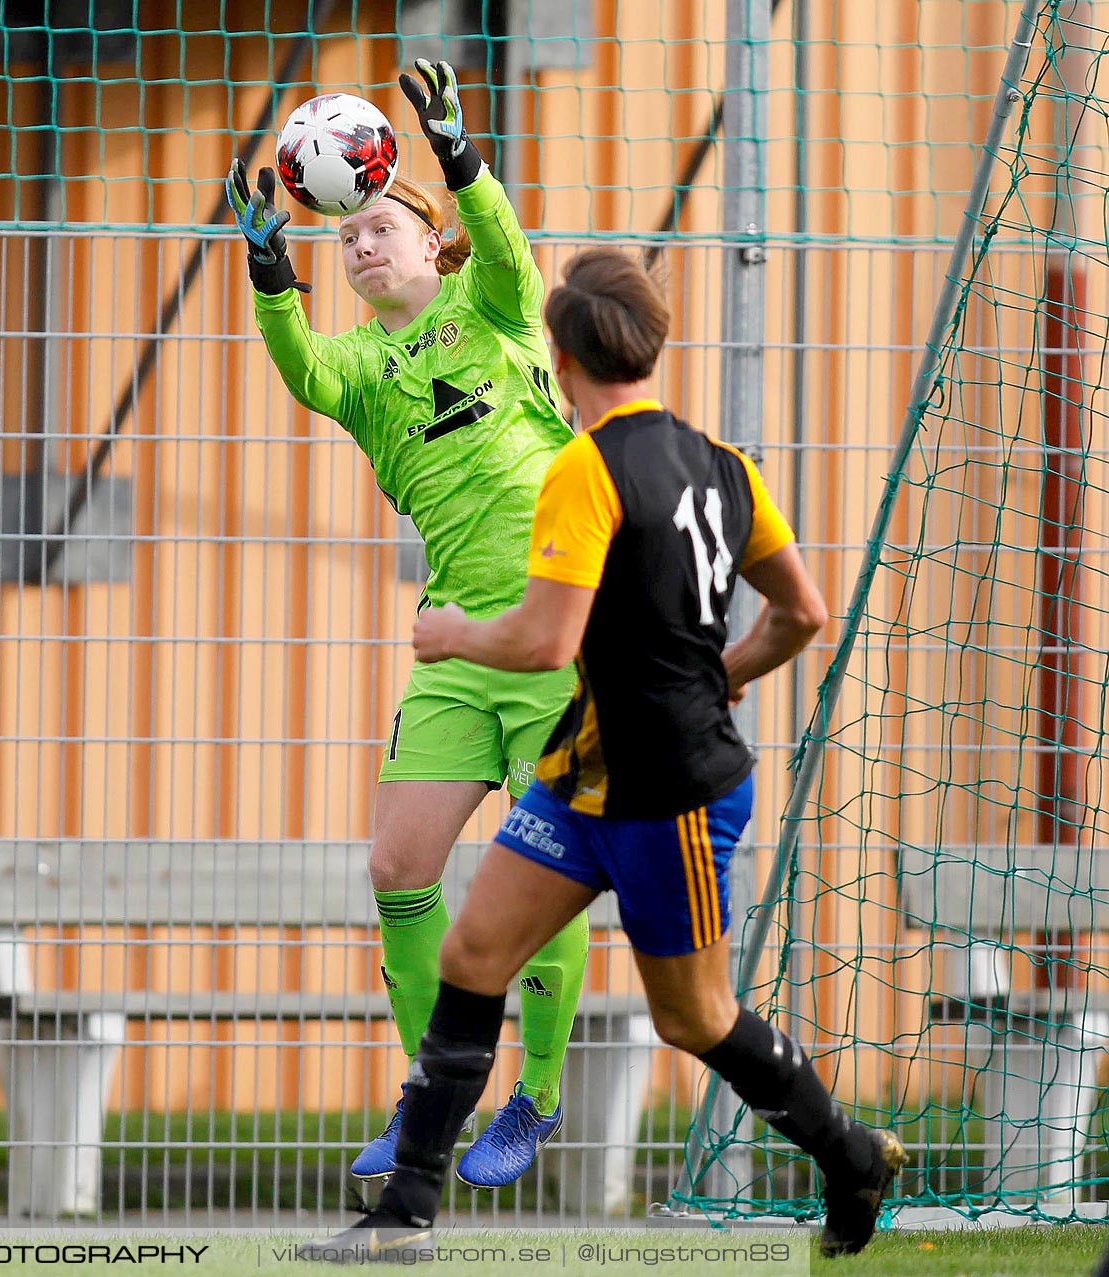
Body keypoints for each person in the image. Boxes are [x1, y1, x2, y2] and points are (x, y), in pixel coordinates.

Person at [300, 247, 905, 1263]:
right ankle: (401, 1214)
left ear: (564, 357)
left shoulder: (584, 469)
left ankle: (848, 1154)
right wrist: (731, 670)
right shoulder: (725, 462)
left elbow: (543, 641)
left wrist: (450, 634)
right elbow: (804, 611)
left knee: (695, 1016)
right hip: (584, 776)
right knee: (473, 953)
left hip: (668, 793)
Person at [223, 60, 589, 1195]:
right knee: (397, 866)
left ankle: (537, 1089)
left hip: (552, 637)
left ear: (433, 245)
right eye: (348, 238)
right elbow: (297, 364)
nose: (362, 245)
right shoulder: (362, 370)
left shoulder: (498, 304)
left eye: (379, 225)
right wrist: (269, 267)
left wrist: (454, 148)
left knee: (539, 872)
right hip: (451, 649)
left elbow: (502, 235)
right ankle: (438, 1085)